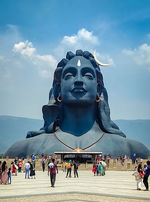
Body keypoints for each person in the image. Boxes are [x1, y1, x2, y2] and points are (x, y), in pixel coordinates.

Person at [5, 50, 150, 159]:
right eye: (69, 76)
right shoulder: (24, 148)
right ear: (58, 89)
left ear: (99, 89)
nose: (79, 80)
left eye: (88, 75)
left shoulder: (131, 148)